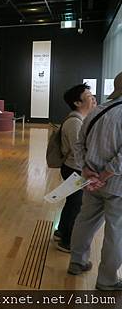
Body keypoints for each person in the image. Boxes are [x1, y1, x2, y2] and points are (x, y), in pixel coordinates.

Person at [67, 71, 122, 290]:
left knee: (85, 220)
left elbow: (79, 144)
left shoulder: (98, 110)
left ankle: (77, 261)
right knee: (116, 232)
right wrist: (105, 174)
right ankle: (108, 280)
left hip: (91, 182)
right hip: (117, 185)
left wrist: (87, 170)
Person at [53, 84, 96, 252]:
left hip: (74, 168)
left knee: (72, 203)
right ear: (77, 103)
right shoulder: (75, 122)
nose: (93, 99)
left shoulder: (80, 119)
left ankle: (61, 232)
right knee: (76, 206)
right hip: (75, 169)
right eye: (89, 96)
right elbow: (80, 150)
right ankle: (67, 242)